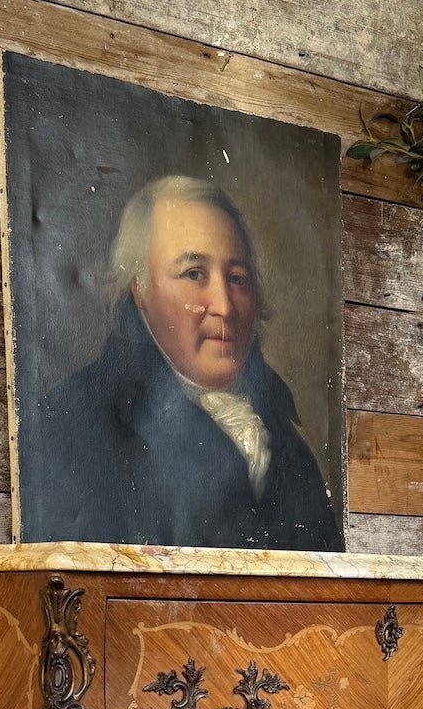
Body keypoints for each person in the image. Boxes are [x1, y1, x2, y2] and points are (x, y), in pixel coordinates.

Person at [23, 175, 342, 551]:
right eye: (194, 274)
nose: (224, 306)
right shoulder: (71, 424)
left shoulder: (286, 442)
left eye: (238, 278)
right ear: (139, 288)